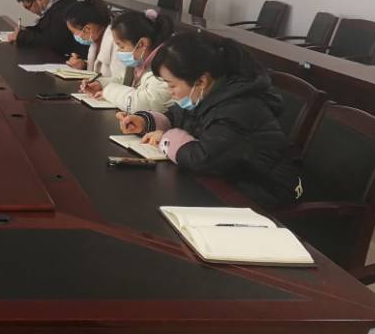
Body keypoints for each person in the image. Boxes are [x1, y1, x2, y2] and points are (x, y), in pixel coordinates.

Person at [115, 32, 302, 208]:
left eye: (171, 85)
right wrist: (145, 122)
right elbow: (176, 116)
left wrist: (166, 138)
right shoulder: (206, 93)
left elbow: (202, 159)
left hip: (263, 193)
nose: (169, 91)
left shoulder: (239, 108)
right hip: (227, 181)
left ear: (201, 81)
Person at [82, 9, 174, 113]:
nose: (118, 51)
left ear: (142, 44)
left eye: (121, 46)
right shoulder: (142, 62)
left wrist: (108, 91)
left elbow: (144, 103)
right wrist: (101, 84)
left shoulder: (164, 67)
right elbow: (127, 81)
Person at [6, 0, 82, 58]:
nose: (29, 11)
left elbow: (54, 41)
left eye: (28, 7)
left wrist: (22, 36)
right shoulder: (54, 0)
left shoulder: (63, 7)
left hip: (70, 57)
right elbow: (45, 29)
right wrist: (27, 30)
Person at [64, 0, 124, 77]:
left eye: (73, 32)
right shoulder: (96, 40)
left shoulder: (116, 43)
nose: (74, 36)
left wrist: (99, 83)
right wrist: (83, 66)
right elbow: (96, 71)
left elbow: (120, 80)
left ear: (87, 29)